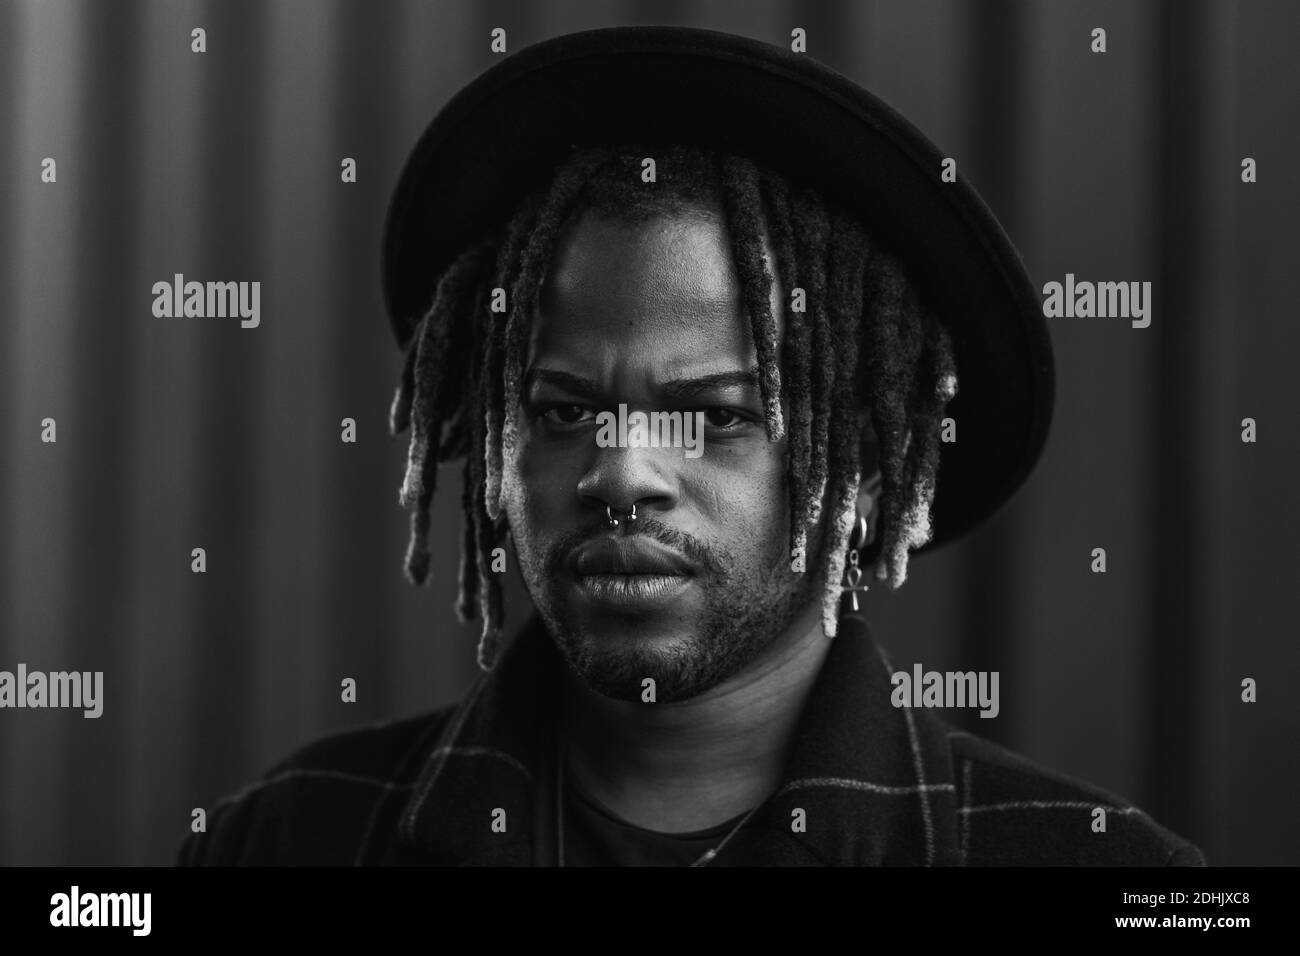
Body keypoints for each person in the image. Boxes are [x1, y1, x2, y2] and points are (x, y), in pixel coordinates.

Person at [178, 26, 1203, 867]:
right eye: (564, 410)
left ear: (862, 464)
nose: (622, 472)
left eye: (715, 415)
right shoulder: (289, 838)